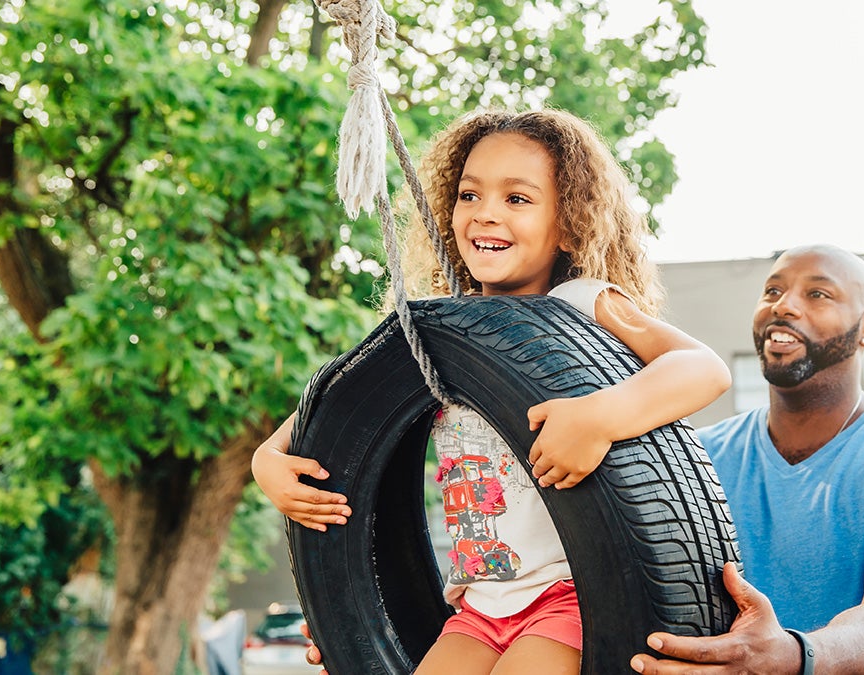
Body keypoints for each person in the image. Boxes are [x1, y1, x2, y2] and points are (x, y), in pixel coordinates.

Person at [251, 109, 731, 675]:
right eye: (469, 196)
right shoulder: (435, 334)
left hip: (571, 596)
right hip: (479, 606)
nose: (486, 215)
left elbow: (703, 368)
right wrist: (267, 463)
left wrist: (603, 415)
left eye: (518, 200)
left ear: (571, 224)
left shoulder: (583, 303)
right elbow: (325, 422)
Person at [628, 244, 864, 675]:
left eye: (818, 294)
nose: (784, 306)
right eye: (773, 291)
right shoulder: (691, 459)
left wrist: (795, 656)